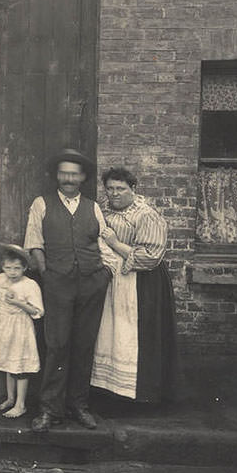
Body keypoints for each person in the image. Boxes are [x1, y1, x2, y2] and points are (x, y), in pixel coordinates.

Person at [23, 148, 115, 431]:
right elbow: (34, 242)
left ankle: (79, 406)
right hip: (58, 283)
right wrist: (47, 274)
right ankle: (50, 410)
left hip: (91, 282)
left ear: (83, 177)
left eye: (74, 174)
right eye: (64, 173)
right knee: (57, 344)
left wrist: (105, 273)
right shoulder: (42, 204)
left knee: (84, 345)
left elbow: (105, 241)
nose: (68, 178)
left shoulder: (93, 207)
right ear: (57, 176)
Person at [91, 167, 180, 403]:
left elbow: (150, 256)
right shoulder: (102, 209)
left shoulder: (146, 215)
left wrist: (115, 243)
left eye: (120, 189)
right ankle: (109, 392)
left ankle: (142, 396)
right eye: (110, 188)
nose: (114, 194)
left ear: (133, 189)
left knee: (137, 336)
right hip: (112, 278)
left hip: (143, 282)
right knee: (111, 332)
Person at [0, 244, 44, 418]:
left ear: (25, 267)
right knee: (9, 363)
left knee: (20, 366)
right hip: (4, 326)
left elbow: (38, 311)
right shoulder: (1, 279)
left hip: (20, 328)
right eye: (8, 268)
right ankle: (10, 399)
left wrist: (18, 303)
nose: (12, 272)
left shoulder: (29, 285)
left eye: (17, 268)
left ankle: (20, 404)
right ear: (2, 268)